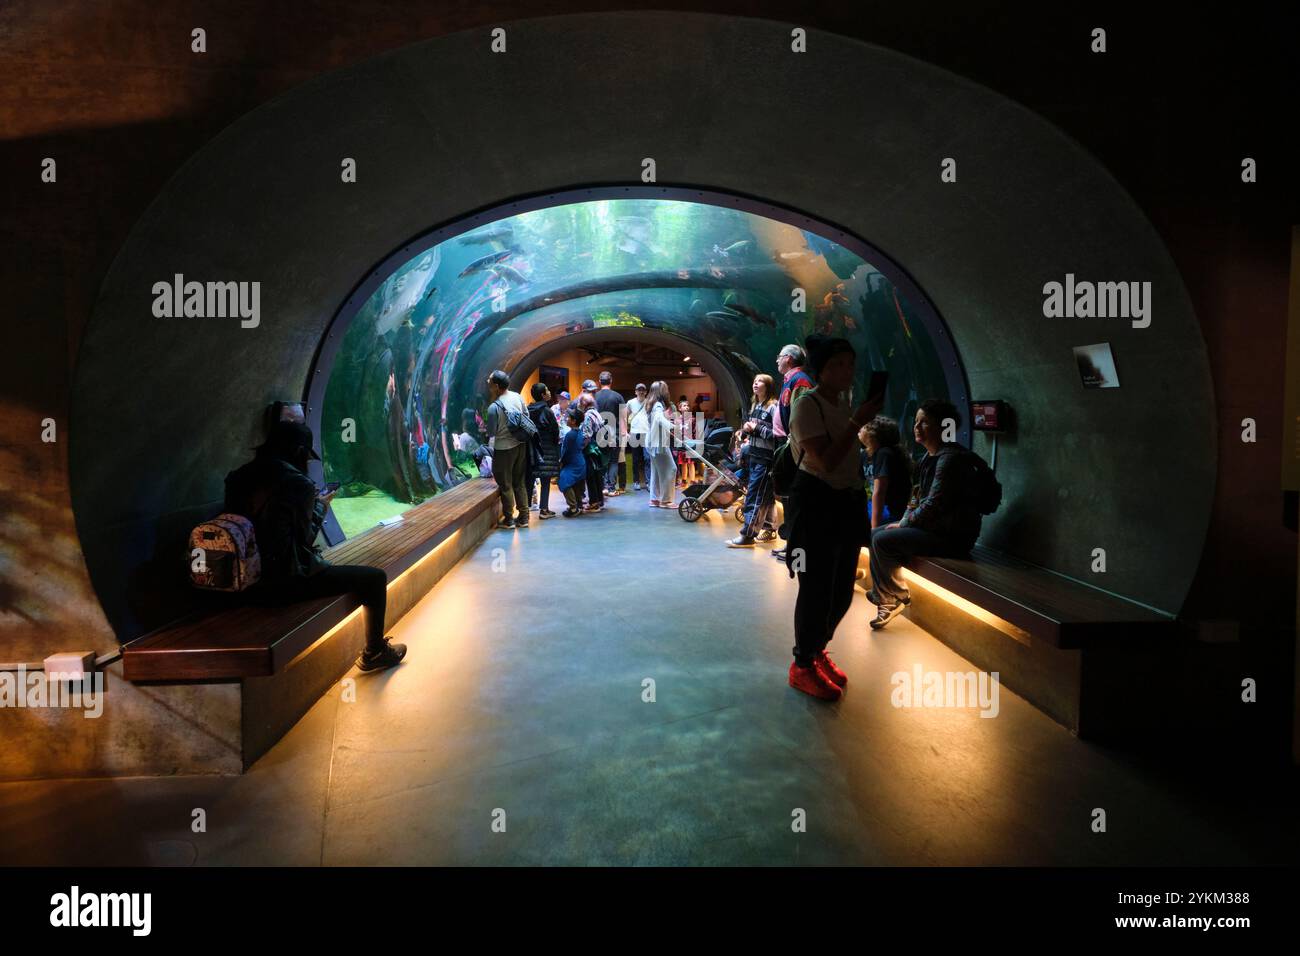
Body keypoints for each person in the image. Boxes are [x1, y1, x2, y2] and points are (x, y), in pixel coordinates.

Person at [224, 421, 406, 672]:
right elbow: (303, 539)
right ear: (299, 451)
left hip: (242, 581)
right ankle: (374, 651)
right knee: (375, 578)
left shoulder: (238, 476)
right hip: (284, 581)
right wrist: (321, 506)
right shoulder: (297, 483)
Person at [783, 335, 882, 701]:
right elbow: (824, 460)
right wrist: (858, 421)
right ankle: (802, 665)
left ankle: (817, 649)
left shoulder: (843, 404)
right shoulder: (807, 405)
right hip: (815, 503)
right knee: (815, 589)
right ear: (821, 370)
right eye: (838, 364)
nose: (847, 371)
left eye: (850, 364)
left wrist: (855, 417)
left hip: (845, 502)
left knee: (841, 590)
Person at [867, 399, 984, 630]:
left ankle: (892, 597)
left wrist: (904, 524)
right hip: (934, 529)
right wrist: (903, 521)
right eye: (916, 421)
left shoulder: (948, 460)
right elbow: (917, 497)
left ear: (943, 427)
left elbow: (933, 504)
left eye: (925, 423)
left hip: (952, 537)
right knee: (874, 534)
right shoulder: (929, 458)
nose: (917, 427)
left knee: (881, 539)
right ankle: (890, 592)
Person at [771, 343, 816, 562]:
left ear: (788, 358)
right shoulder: (790, 379)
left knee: (795, 497)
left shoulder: (800, 381)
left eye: (779, 357)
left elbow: (802, 416)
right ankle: (791, 544)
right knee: (788, 497)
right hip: (788, 443)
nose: (777, 361)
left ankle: (797, 549)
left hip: (795, 446)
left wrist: (795, 441)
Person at [728, 373, 779, 548]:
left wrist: (756, 428)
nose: (756, 384)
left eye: (760, 382)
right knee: (765, 494)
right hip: (755, 455)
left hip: (766, 457)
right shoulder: (755, 405)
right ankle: (770, 528)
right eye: (755, 381)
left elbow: (778, 435)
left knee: (754, 495)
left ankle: (748, 535)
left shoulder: (774, 407)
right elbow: (753, 428)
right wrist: (745, 431)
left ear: (768, 386)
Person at [484, 369, 530, 530]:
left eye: (489, 382)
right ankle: (524, 517)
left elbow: (491, 432)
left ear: (496, 386)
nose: (488, 384)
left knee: (506, 484)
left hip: (503, 448)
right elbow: (526, 417)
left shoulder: (493, 407)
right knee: (519, 482)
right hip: (520, 445)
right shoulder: (517, 397)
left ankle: (509, 519)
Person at [859, 416, 912, 529]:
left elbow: (879, 492)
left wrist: (874, 529)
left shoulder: (884, 454)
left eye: (864, 426)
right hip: (874, 505)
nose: (860, 427)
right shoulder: (865, 454)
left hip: (890, 509)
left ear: (873, 433)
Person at [527, 382, 561, 519]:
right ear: (542, 395)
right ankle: (544, 509)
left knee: (530, 479)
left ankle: (526, 508)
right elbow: (555, 431)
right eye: (547, 390)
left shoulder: (528, 410)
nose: (549, 392)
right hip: (547, 450)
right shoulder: (547, 411)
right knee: (545, 481)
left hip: (532, 450)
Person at [644, 380, 678, 508]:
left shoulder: (652, 404)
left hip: (652, 442)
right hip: (658, 444)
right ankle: (666, 500)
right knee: (671, 469)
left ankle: (654, 499)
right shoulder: (658, 405)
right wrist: (672, 426)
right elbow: (659, 419)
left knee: (657, 471)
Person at [594, 371, 627, 496]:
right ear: (611, 381)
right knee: (613, 461)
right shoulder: (618, 396)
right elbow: (623, 417)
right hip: (615, 434)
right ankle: (612, 488)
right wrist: (624, 433)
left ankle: (603, 487)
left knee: (602, 460)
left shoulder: (595, 396)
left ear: (599, 381)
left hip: (599, 433)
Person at [557, 406, 588, 517]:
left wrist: (560, 463)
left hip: (573, 464)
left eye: (569, 417)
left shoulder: (570, 435)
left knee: (564, 481)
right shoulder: (578, 432)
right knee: (576, 485)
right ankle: (578, 505)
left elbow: (565, 452)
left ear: (574, 421)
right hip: (580, 463)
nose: (567, 418)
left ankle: (573, 508)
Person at [578, 392, 606, 513]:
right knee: (597, 475)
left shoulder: (588, 415)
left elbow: (587, 435)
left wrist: (581, 447)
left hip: (590, 449)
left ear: (584, 403)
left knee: (591, 476)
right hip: (598, 448)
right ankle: (599, 500)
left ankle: (594, 502)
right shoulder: (596, 413)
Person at [626, 383, 649, 491]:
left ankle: (648, 482)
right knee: (635, 459)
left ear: (646, 392)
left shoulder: (649, 402)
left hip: (646, 433)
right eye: (639, 390)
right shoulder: (630, 402)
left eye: (643, 390)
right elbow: (624, 415)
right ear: (635, 391)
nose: (641, 392)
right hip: (634, 433)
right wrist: (626, 430)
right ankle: (636, 481)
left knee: (647, 458)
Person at [675, 400, 695, 487]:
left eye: (687, 405)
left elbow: (695, 432)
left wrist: (694, 443)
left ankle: (693, 481)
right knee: (683, 463)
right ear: (679, 408)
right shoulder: (677, 420)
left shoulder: (692, 419)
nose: (686, 407)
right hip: (682, 444)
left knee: (691, 463)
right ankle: (684, 480)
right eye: (684, 405)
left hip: (690, 444)